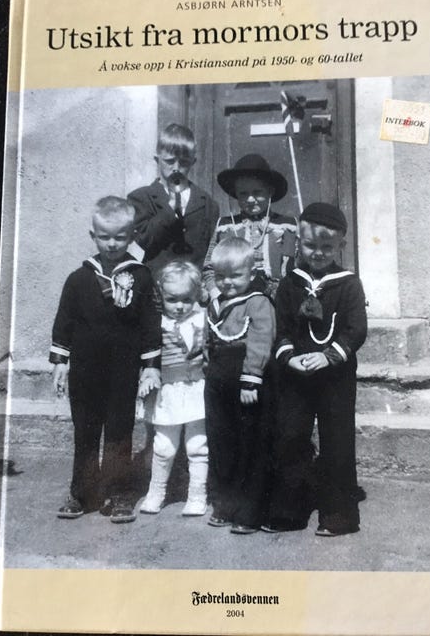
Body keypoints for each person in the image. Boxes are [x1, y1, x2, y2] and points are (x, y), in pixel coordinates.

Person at [50, 196, 161, 523]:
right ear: (93, 236)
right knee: (85, 431)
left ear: (131, 237)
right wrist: (60, 362)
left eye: (120, 237)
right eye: (105, 237)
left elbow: (150, 324)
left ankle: (119, 492)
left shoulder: (141, 277)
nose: (112, 244)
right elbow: (64, 321)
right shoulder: (78, 279)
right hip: (85, 371)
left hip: (122, 371)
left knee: (118, 432)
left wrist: (150, 368)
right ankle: (82, 492)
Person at [263, 202, 367, 536]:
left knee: (337, 440)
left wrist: (329, 356)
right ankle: (289, 509)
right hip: (296, 374)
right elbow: (281, 328)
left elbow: (356, 330)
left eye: (327, 247)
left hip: (335, 375)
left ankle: (339, 514)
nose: (318, 253)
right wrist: (288, 356)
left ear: (341, 246)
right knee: (291, 436)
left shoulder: (349, 284)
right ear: (299, 243)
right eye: (310, 245)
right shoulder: (290, 284)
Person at [204, 237, 276, 534]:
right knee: (221, 441)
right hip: (218, 379)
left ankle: (249, 510)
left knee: (248, 443)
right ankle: (225, 503)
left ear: (252, 273)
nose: (228, 283)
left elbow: (261, 341)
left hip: (246, 381)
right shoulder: (216, 303)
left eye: (235, 276)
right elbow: (209, 338)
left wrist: (251, 379)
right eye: (221, 276)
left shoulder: (257, 302)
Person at [138, 261, 208, 516]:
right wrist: (146, 375)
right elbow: (147, 356)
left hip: (197, 390)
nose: (179, 306)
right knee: (164, 447)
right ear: (161, 296)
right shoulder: (157, 324)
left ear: (196, 295)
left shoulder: (203, 320)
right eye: (172, 299)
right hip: (168, 392)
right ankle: (156, 492)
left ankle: (197, 495)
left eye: (186, 299)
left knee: (197, 445)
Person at [127, 123, 219, 277]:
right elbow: (145, 240)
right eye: (169, 161)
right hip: (157, 283)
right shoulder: (141, 198)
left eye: (184, 162)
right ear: (157, 160)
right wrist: (168, 212)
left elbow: (211, 250)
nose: (176, 167)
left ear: (193, 162)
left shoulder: (207, 202)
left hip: (195, 284)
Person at [204, 153, 298, 301]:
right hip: (233, 299)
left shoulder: (287, 226)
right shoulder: (225, 226)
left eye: (257, 192)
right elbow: (209, 267)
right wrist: (216, 295)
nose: (250, 199)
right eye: (243, 193)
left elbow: (297, 267)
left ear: (270, 192)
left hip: (278, 300)